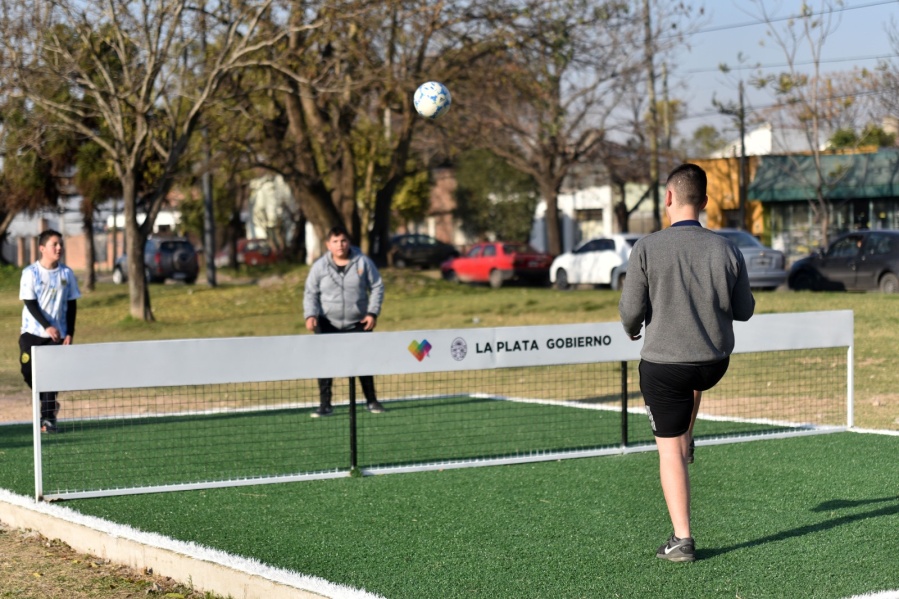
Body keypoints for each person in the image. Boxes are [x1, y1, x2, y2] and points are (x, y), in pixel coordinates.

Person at [618, 164, 755, 563]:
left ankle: (681, 540)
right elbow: (744, 310)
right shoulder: (728, 248)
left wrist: (632, 328)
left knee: (669, 452)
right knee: (689, 381)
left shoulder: (646, 246)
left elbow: (630, 312)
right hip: (714, 363)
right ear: (706, 202)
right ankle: (687, 434)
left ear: (667, 198)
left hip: (665, 367)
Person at [303, 226, 386, 417]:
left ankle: (372, 401)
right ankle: (325, 405)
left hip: (358, 322)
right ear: (328, 245)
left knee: (364, 363)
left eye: (343, 241)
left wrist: (372, 313)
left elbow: (377, 287)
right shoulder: (319, 267)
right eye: (335, 241)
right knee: (325, 365)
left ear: (349, 242)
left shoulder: (363, 262)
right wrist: (310, 315)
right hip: (327, 322)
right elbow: (310, 293)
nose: (340, 245)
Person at [19, 229, 82, 433]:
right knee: (29, 372)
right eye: (54, 244)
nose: (59, 248)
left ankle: (47, 420)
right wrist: (46, 326)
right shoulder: (30, 273)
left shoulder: (66, 274)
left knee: (50, 377)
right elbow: (29, 302)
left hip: (58, 336)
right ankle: (50, 405)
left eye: (60, 244)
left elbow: (72, 304)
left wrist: (69, 332)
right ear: (42, 248)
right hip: (31, 333)